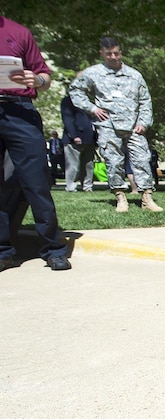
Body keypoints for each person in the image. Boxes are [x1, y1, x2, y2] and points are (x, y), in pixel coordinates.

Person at [0, 16, 71, 272]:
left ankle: (54, 249)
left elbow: (45, 77)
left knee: (37, 182)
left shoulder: (18, 32)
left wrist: (37, 80)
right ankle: (3, 252)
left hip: (20, 110)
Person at [70, 36, 162, 212]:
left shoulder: (134, 75)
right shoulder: (93, 73)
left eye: (116, 53)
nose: (113, 57)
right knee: (113, 161)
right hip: (108, 125)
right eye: (109, 54)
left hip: (134, 125)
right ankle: (120, 197)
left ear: (121, 52)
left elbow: (145, 100)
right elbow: (75, 91)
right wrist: (92, 108)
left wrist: (144, 122)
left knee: (142, 159)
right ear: (102, 54)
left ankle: (147, 198)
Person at [60, 75, 96, 192]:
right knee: (73, 165)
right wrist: (74, 135)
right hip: (74, 138)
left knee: (89, 164)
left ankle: (87, 186)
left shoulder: (89, 101)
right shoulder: (68, 101)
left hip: (89, 138)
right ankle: (71, 186)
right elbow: (68, 119)